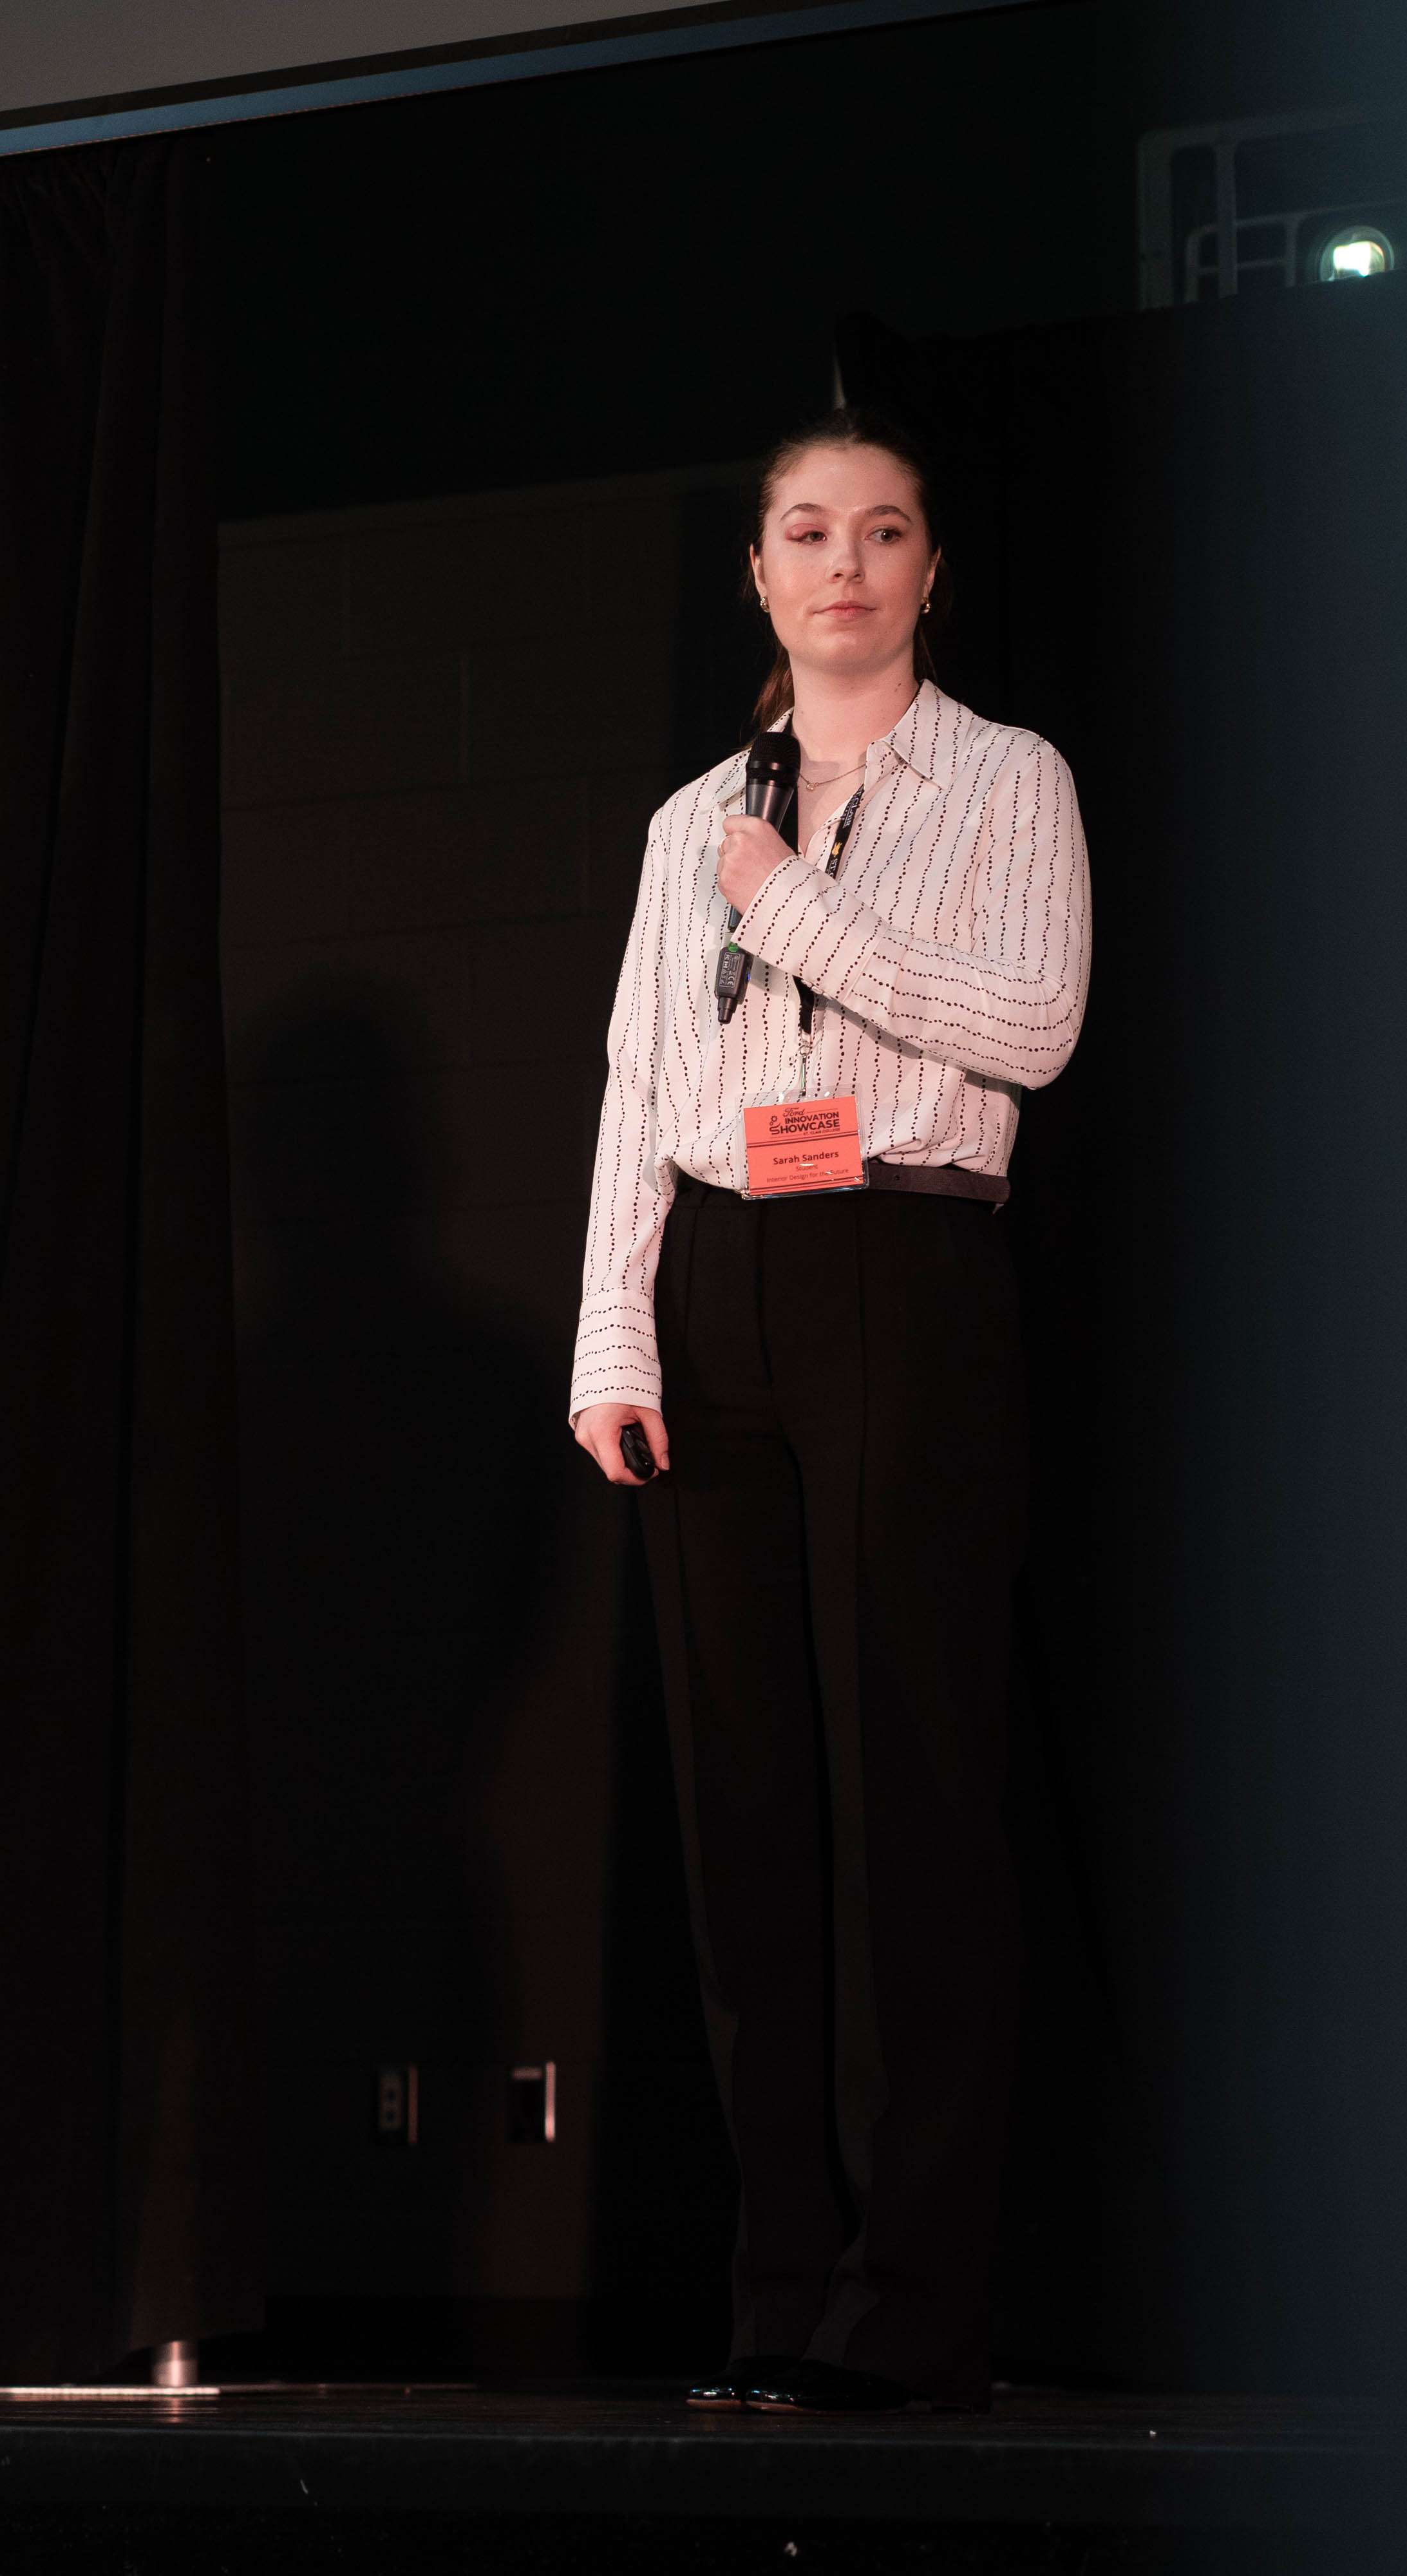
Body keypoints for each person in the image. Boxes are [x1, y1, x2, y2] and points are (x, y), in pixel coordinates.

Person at [568, 412, 1091, 2412]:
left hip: (906, 1259)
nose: (845, 565)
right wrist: (616, 1334)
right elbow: (638, 1081)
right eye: (808, 532)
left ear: (932, 571)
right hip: (724, 1277)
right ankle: (780, 2295)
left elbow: (1032, 1026)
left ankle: (913, 2305)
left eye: (883, 532)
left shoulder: (1009, 779)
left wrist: (798, 913)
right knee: (748, 1812)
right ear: (762, 575)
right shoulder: (691, 816)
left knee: (911, 1788)